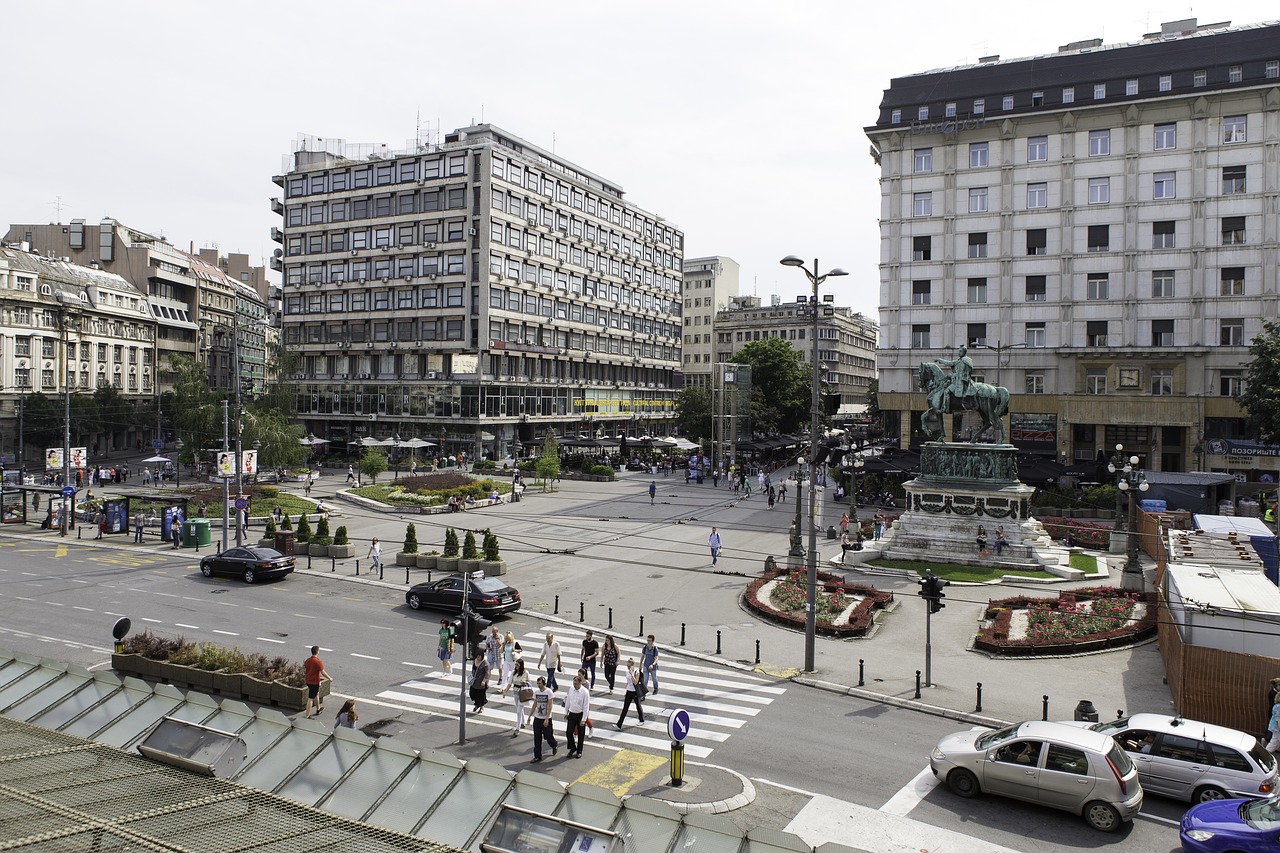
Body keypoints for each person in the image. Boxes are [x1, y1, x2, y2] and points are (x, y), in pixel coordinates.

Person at [530, 676, 558, 762]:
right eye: (537, 683)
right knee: (537, 738)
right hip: (537, 718)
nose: (538, 685)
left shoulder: (549, 692)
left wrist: (547, 718)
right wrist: (530, 716)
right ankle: (537, 756)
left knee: (548, 737)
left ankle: (554, 745)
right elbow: (535, 704)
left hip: (546, 719)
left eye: (540, 683)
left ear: (543, 683)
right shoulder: (536, 692)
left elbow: (550, 706)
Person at [564, 673, 591, 759]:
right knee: (568, 732)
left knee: (580, 734)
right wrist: (566, 712)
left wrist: (584, 719)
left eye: (576, 683)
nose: (574, 685)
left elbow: (586, 706)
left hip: (580, 714)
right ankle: (572, 748)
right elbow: (568, 701)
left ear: (580, 683)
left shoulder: (585, 692)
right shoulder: (571, 689)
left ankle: (579, 751)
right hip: (572, 713)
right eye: (573, 683)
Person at [502, 658, 531, 734]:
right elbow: (509, 683)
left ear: (521, 665)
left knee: (519, 710)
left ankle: (517, 728)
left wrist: (523, 682)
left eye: (517, 665)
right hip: (515, 692)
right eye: (515, 664)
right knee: (519, 708)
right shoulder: (513, 672)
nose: (516, 666)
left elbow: (525, 681)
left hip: (522, 692)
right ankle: (523, 722)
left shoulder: (525, 673)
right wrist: (505, 691)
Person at [615, 658, 646, 728]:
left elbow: (636, 682)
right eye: (627, 666)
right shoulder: (627, 672)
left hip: (635, 692)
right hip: (629, 691)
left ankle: (641, 720)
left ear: (632, 665)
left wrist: (632, 674)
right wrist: (626, 690)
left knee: (638, 706)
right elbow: (628, 682)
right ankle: (619, 724)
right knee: (625, 708)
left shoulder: (636, 671)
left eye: (629, 666)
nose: (628, 668)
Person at [304, 645, 332, 718]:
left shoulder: (307, 660)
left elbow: (306, 669)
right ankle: (307, 715)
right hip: (314, 682)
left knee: (316, 694)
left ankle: (318, 709)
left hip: (308, 680)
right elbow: (322, 672)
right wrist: (329, 678)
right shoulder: (318, 661)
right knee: (310, 698)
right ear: (317, 652)